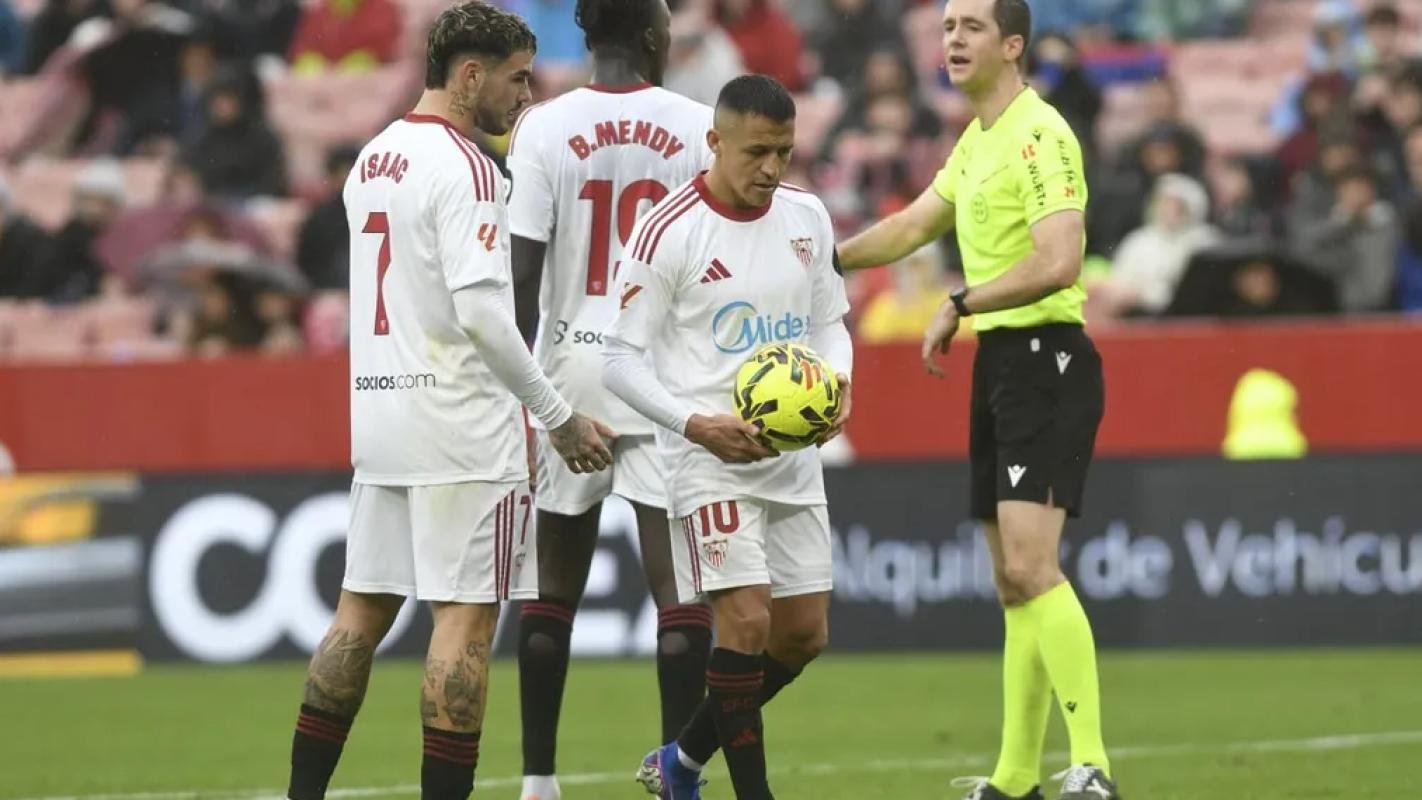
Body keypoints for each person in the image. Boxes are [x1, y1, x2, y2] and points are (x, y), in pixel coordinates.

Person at [282, 5, 613, 800]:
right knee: (462, 624)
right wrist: (558, 416)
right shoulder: (470, 168)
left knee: (356, 617)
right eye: (517, 78)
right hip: (464, 426)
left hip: (382, 417)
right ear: (470, 75)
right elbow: (483, 317)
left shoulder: (373, 158)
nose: (526, 96)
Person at [836, 2, 1117, 799]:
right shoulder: (977, 139)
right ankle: (1015, 777)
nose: (953, 39)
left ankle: (1092, 765)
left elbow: (1060, 260)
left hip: (1046, 359)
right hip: (1001, 363)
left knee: (1033, 565)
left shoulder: (1041, 134)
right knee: (1010, 580)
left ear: (1013, 44)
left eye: (972, 27)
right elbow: (911, 226)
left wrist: (961, 301)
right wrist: (821, 258)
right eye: (948, 26)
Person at [604, 74, 853, 800]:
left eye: (784, 152)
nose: (771, 168)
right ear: (714, 141)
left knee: (802, 635)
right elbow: (618, 360)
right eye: (755, 152)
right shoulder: (668, 230)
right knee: (743, 620)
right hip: (707, 459)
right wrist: (696, 425)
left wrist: (839, 382)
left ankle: (680, 762)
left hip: (791, 458)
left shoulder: (807, 216)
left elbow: (830, 323)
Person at [505, 2, 715, 799]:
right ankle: (676, 775)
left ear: (589, 37)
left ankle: (538, 781)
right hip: (658, 373)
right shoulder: (696, 125)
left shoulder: (542, 126)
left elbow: (521, 274)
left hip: (570, 370)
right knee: (679, 596)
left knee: (551, 591)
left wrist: (526, 394)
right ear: (655, 35)